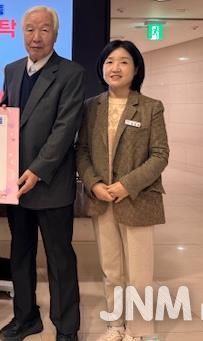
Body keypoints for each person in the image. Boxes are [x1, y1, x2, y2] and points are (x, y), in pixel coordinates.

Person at [0, 6, 84, 341]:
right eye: (30, 29)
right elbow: (8, 117)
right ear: (22, 33)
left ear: (55, 34)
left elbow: (65, 128)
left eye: (44, 29)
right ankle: (25, 317)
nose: (36, 37)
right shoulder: (12, 69)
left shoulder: (71, 73)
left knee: (59, 259)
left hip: (51, 184)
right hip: (16, 184)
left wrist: (37, 169)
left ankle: (66, 327)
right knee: (20, 255)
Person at [76, 40, 169, 341]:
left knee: (139, 273)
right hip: (102, 199)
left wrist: (126, 186)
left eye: (124, 61)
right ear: (101, 68)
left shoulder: (151, 107)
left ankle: (139, 330)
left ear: (136, 68)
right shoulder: (91, 106)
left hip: (137, 199)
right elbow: (82, 150)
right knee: (111, 269)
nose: (115, 68)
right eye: (109, 62)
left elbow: (160, 155)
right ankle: (115, 325)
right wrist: (94, 184)